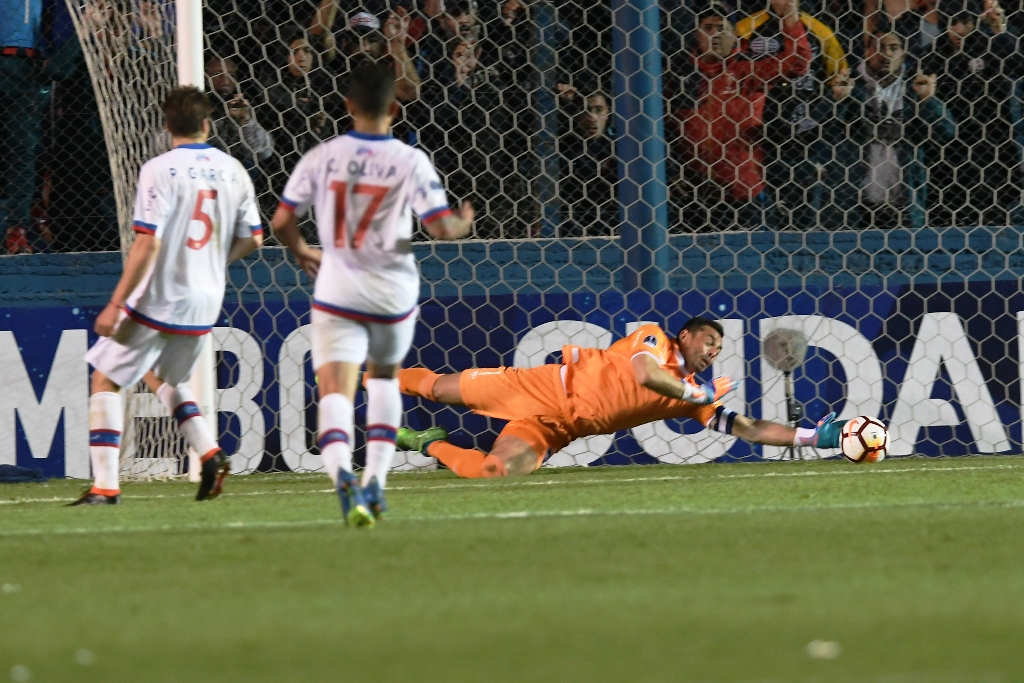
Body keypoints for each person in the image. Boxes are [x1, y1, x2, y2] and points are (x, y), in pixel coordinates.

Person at [270, 61, 473, 527]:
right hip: (393, 292)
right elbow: (441, 228)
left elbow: (281, 221)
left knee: (335, 392)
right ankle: (377, 479)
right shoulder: (409, 160)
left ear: (347, 106)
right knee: (383, 380)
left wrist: (301, 249)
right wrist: (464, 221)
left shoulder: (322, 156)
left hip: (339, 288)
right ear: (395, 109)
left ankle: (343, 474)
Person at [72, 87, 264, 505]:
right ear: (207, 124)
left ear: (166, 126)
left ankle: (105, 487)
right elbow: (254, 238)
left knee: (105, 378)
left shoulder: (159, 168)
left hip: (161, 295)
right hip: (205, 300)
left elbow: (148, 243)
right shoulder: (233, 168)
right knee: (162, 377)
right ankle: (210, 452)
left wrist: (117, 303)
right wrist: (213, 262)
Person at [395, 317, 847, 478]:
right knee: (433, 386)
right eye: (708, 341)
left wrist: (813, 437)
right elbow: (644, 375)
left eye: (719, 349)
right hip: (540, 386)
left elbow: (747, 428)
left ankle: (427, 442)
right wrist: (696, 390)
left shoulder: (692, 397)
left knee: (493, 471)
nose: (712, 351)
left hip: (557, 429)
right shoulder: (653, 338)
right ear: (684, 335)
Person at [672, 2, 811, 231]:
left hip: (743, 195)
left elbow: (797, 62)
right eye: (707, 27)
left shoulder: (748, 68)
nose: (714, 34)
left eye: (721, 27)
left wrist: (789, 14)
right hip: (692, 194)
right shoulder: (678, 72)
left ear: (735, 33)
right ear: (696, 34)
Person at [737, 0, 848, 231]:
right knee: (763, 211)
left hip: (806, 137)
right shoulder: (746, 28)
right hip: (758, 137)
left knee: (804, 210)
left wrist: (839, 88)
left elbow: (839, 74)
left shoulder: (820, 30)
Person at [830, 31, 955, 229]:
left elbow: (946, 134)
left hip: (906, 204)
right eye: (879, 47)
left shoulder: (916, 88)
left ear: (904, 52)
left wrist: (928, 101)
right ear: (867, 51)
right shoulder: (850, 85)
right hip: (854, 206)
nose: (886, 53)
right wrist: (839, 100)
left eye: (893, 47)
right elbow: (827, 133)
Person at [920, 2, 1023, 227]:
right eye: (952, 23)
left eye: (964, 23)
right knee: (948, 205)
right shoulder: (932, 53)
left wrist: (1000, 32)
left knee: (990, 204)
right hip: (947, 144)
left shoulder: (990, 45)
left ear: (975, 22)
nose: (958, 30)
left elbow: (1017, 67)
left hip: (990, 142)